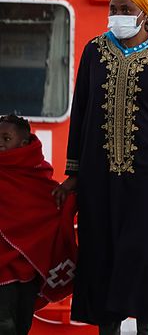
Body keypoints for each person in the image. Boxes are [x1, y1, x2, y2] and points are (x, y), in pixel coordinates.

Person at [52, 0, 148, 334]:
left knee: (140, 246)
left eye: (126, 10)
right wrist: (74, 172)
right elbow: (81, 111)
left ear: (144, 13)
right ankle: (107, 328)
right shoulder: (95, 50)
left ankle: (147, 326)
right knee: (100, 245)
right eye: (114, 9)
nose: (118, 16)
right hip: (98, 169)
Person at [0, 115, 77, 335]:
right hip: (1, 273)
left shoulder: (39, 179)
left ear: (24, 144)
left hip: (28, 272)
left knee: (22, 325)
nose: (0, 143)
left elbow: (54, 207)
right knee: (4, 325)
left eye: (6, 138)